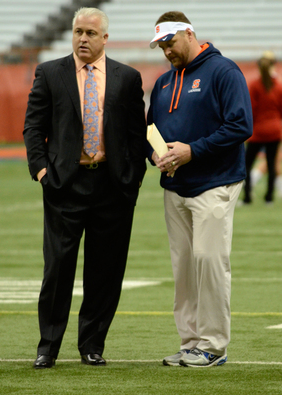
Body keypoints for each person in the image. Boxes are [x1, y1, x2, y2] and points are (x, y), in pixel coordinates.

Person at [23, 7, 146, 369]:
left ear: (105, 38)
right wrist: (43, 173)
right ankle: (48, 346)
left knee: (105, 271)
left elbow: (136, 136)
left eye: (91, 33)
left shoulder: (128, 77)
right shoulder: (50, 72)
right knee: (58, 269)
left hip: (113, 186)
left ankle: (92, 344)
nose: (82, 39)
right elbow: (33, 128)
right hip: (64, 185)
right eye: (78, 31)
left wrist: (133, 179)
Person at [147, 11, 252, 367]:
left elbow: (241, 125)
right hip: (175, 186)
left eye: (170, 43)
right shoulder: (162, 83)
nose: (166, 51)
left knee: (209, 261)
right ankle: (190, 341)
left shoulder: (224, 71)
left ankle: (213, 345)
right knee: (184, 268)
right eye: (161, 45)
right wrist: (157, 155)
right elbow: (151, 132)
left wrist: (193, 151)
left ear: (189, 33)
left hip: (215, 182)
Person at [243, 51, 282, 204]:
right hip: (274, 131)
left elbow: (250, 109)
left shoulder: (254, 85)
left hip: (257, 131)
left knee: (247, 164)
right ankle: (269, 198)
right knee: (272, 165)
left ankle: (247, 198)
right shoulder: (278, 87)